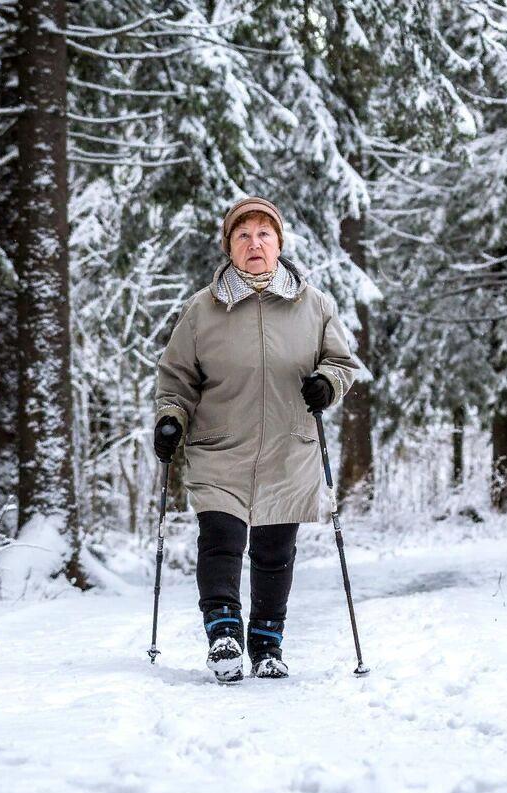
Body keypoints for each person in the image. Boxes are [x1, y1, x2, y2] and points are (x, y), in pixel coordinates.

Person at [152, 196, 360, 682]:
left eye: (264, 234)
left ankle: (267, 644)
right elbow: (176, 378)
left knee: (274, 551)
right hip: (220, 447)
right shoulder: (203, 309)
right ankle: (224, 635)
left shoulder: (312, 304)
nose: (254, 243)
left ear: (279, 243)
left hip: (289, 448)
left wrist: (327, 383)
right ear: (229, 247)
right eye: (243, 235)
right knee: (220, 540)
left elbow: (342, 362)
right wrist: (170, 418)